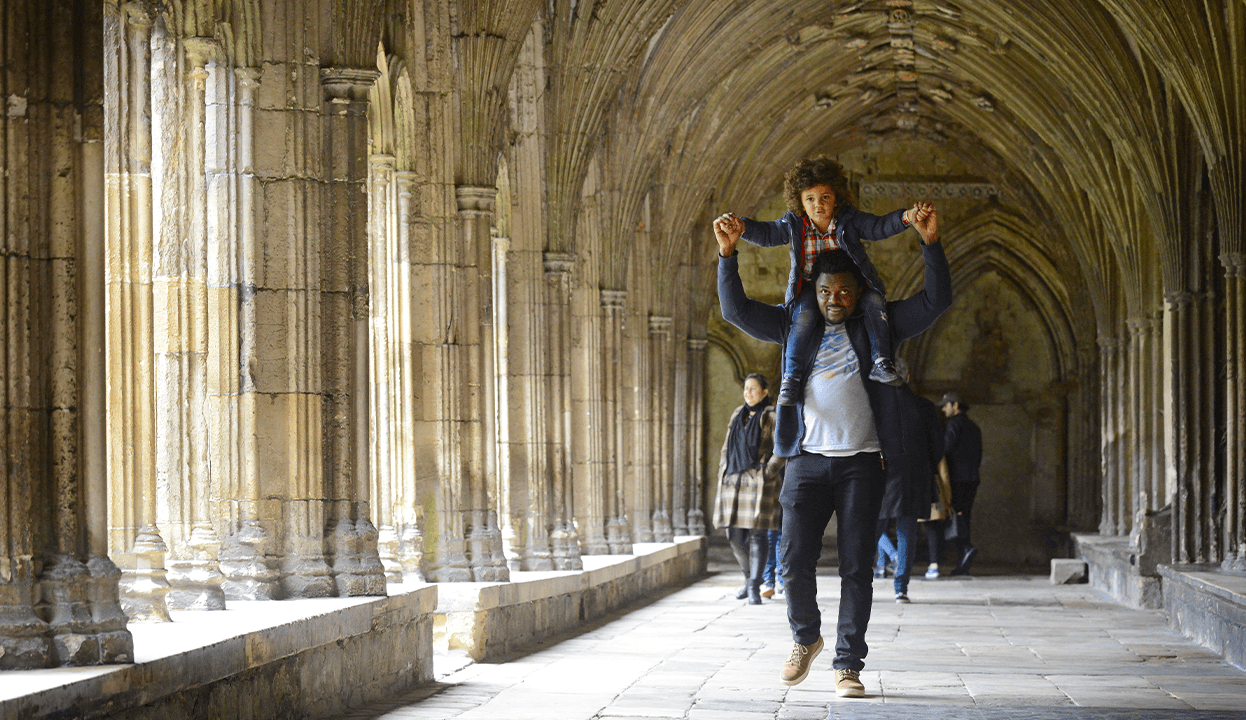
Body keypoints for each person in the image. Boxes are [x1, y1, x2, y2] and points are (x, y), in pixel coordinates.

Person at [713, 201, 949, 698]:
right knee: (795, 560)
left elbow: (934, 303)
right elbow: (735, 311)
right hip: (805, 463)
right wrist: (728, 255)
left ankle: (848, 664)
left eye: (844, 291)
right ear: (812, 293)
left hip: (862, 464)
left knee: (857, 567)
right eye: (825, 292)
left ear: (859, 292)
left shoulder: (877, 325)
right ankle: (806, 638)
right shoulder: (792, 326)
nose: (834, 299)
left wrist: (931, 244)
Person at [714, 156, 935, 413]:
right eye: (810, 199)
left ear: (836, 198)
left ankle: (882, 362)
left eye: (825, 198)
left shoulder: (848, 220)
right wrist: (741, 229)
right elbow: (768, 234)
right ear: (800, 203)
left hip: (854, 285)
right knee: (803, 315)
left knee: (876, 304)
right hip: (808, 287)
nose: (818, 205)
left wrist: (907, 217)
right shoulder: (794, 224)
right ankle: (792, 378)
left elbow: (877, 227)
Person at [873, 359, 943, 602]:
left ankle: (859, 583)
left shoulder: (876, 405)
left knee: (871, 529)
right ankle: (901, 588)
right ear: (909, 376)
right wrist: (928, 469)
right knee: (907, 531)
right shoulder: (924, 406)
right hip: (915, 475)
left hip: (882, 474)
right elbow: (937, 446)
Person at [712, 373, 785, 604]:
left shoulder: (771, 415)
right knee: (733, 535)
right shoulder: (738, 414)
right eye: (746, 388)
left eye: (753, 389)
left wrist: (768, 472)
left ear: (764, 392)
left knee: (758, 535)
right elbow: (726, 446)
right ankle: (748, 578)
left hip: (759, 482)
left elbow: (781, 449)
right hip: (734, 480)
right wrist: (723, 470)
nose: (748, 393)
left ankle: (754, 586)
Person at [939, 391, 983, 576]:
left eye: (946, 405)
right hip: (972, 479)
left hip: (957, 479)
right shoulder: (974, 427)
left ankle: (965, 550)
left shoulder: (954, 425)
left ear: (955, 405)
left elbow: (944, 449)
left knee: (955, 518)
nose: (943, 408)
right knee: (964, 517)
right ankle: (963, 560)